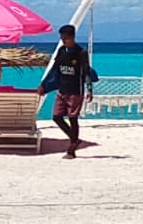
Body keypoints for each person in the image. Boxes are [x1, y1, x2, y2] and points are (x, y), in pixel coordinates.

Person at [39, 25, 98, 158]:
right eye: (62, 38)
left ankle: (71, 149)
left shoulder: (81, 53)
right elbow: (54, 69)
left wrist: (89, 89)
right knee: (56, 117)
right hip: (62, 90)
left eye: (65, 38)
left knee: (73, 118)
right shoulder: (61, 51)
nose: (63, 40)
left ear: (72, 37)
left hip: (76, 91)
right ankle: (74, 139)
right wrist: (43, 84)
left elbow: (87, 72)